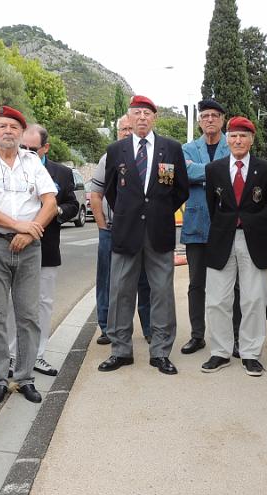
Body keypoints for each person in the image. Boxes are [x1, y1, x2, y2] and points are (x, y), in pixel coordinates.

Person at [0, 105, 58, 405]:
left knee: (28, 315)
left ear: (21, 132)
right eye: (2, 126)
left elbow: (50, 204)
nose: (8, 131)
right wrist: (17, 225)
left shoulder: (32, 162)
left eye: (13, 127)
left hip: (30, 247)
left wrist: (29, 232)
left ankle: (25, 377)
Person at [97, 95, 190, 375]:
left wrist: (158, 211)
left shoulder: (171, 149)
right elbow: (112, 192)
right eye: (136, 113)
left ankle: (160, 352)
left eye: (146, 113)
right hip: (126, 232)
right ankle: (120, 350)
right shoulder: (117, 150)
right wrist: (129, 212)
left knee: (162, 293)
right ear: (129, 116)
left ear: (154, 118)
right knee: (121, 292)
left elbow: (180, 190)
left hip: (159, 233)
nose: (141, 118)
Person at [200, 117, 267, 376]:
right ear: (227, 139)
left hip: (254, 240)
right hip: (222, 239)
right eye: (233, 136)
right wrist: (228, 225)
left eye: (243, 136)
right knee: (217, 300)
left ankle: (250, 353)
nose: (238, 140)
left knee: (254, 299)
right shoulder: (214, 169)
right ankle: (220, 352)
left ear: (252, 140)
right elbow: (213, 208)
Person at [3, 124, 80, 376]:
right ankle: (14, 356)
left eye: (32, 149)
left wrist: (54, 212)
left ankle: (38, 354)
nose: (25, 152)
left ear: (45, 148)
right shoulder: (9, 167)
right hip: (15, 246)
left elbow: (72, 204)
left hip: (46, 247)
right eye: (22, 147)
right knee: (16, 303)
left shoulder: (62, 173)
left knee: (43, 302)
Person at [87, 115, 152, 346]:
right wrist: (102, 226)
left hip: (143, 230)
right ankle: (106, 327)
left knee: (145, 281)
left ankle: (149, 328)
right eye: (122, 129)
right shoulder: (110, 157)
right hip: (113, 230)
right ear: (117, 132)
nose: (126, 132)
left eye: (129, 128)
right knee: (108, 281)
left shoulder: (150, 155)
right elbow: (96, 194)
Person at [180, 99, 231, 355]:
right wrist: (218, 171)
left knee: (230, 284)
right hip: (196, 225)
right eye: (205, 116)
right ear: (199, 121)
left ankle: (231, 337)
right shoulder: (187, 149)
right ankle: (197, 335)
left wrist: (200, 173)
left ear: (223, 119)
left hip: (226, 227)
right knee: (196, 284)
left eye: (214, 115)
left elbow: (233, 175)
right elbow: (185, 175)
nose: (209, 119)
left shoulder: (232, 146)